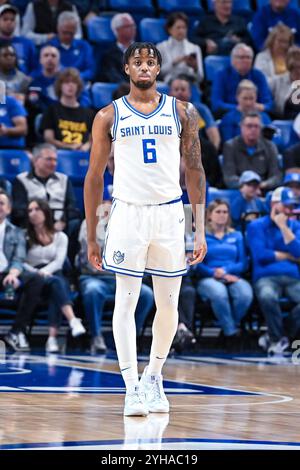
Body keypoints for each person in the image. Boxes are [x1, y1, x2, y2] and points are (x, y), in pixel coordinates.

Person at [84, 42, 207, 416]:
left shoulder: (183, 112)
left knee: (169, 305)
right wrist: (92, 234)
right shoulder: (109, 116)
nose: (144, 66)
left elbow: (196, 171)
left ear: (158, 70)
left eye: (150, 61)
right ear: (126, 69)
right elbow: (93, 178)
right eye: (137, 61)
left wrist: (198, 228)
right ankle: (130, 386)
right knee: (126, 300)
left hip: (169, 214)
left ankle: (154, 376)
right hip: (127, 214)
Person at [7, 198, 86, 353]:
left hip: (52, 273)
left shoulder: (61, 237)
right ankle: (69, 323)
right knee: (57, 284)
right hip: (31, 277)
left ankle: (52, 338)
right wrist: (37, 273)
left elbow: (59, 261)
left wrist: (45, 272)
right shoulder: (24, 235)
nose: (32, 213)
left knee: (56, 284)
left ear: (45, 211)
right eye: (30, 211)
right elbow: (20, 260)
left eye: (36, 209)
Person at [78, 216, 154, 354]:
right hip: (95, 276)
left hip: (122, 278)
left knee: (146, 294)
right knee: (93, 290)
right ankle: (96, 336)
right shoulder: (90, 222)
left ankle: (129, 338)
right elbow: (89, 256)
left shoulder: (130, 223)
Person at [247, 187, 300, 355]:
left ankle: (279, 335)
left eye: (292, 206)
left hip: (292, 277)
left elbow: (299, 253)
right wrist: (288, 255)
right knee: (267, 296)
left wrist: (284, 228)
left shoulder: (295, 226)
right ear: (274, 204)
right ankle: (277, 340)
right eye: (286, 206)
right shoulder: (256, 226)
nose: (290, 210)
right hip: (265, 276)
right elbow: (260, 255)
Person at [12, 143, 81, 263]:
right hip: (33, 225)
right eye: (49, 159)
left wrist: (62, 222)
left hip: (60, 225)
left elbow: (71, 207)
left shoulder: (64, 179)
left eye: (55, 160)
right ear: (35, 160)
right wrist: (40, 224)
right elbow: (19, 209)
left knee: (75, 223)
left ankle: (72, 266)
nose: (53, 163)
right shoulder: (21, 180)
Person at [222, 111, 282, 191]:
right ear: (241, 127)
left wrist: (262, 185)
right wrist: (247, 186)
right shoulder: (230, 146)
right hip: (239, 190)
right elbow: (229, 177)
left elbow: (276, 176)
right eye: (249, 126)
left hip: (263, 190)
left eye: (256, 126)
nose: (253, 129)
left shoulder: (270, 146)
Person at [211, 43, 273, 116]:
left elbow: (269, 104)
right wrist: (238, 108)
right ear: (233, 59)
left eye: (248, 57)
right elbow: (216, 104)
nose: (245, 60)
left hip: (255, 114)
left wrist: (260, 107)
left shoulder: (258, 75)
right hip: (230, 115)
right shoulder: (221, 75)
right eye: (241, 57)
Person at [41, 67, 94, 151]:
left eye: (74, 82)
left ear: (78, 86)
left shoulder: (89, 113)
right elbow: (49, 139)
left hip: (82, 156)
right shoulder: (51, 110)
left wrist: (86, 146)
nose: (70, 85)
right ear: (60, 86)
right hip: (59, 154)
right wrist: (69, 147)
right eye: (66, 82)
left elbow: (93, 139)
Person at [157, 12, 203, 84]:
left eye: (184, 27)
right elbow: (158, 74)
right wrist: (174, 63)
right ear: (169, 29)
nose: (181, 31)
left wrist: (195, 68)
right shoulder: (161, 47)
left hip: (189, 84)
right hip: (169, 84)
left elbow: (200, 78)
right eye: (178, 28)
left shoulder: (195, 48)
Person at [48, 11, 94, 82]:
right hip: (56, 84)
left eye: (71, 33)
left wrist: (75, 77)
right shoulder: (49, 47)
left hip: (79, 84)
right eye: (65, 32)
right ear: (58, 28)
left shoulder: (84, 46)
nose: (68, 36)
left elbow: (90, 71)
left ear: (75, 31)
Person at [95, 13, 136, 83]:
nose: (133, 28)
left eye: (133, 25)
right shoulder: (109, 54)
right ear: (118, 30)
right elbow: (113, 75)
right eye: (128, 26)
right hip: (124, 89)